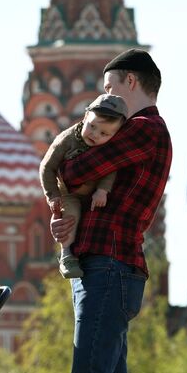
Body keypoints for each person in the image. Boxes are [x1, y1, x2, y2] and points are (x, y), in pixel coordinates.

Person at [51, 49, 173, 373]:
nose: (105, 101)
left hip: (110, 264)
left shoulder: (144, 130)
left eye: (108, 89)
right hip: (105, 264)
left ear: (129, 82)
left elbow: (76, 166)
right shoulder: (142, 135)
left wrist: (70, 169)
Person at [39, 93, 128, 279]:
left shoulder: (108, 148)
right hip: (69, 194)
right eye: (92, 127)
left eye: (104, 133)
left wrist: (103, 190)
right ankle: (67, 256)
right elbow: (47, 167)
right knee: (70, 217)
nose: (95, 135)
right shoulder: (66, 139)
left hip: (94, 193)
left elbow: (111, 169)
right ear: (85, 116)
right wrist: (53, 195)